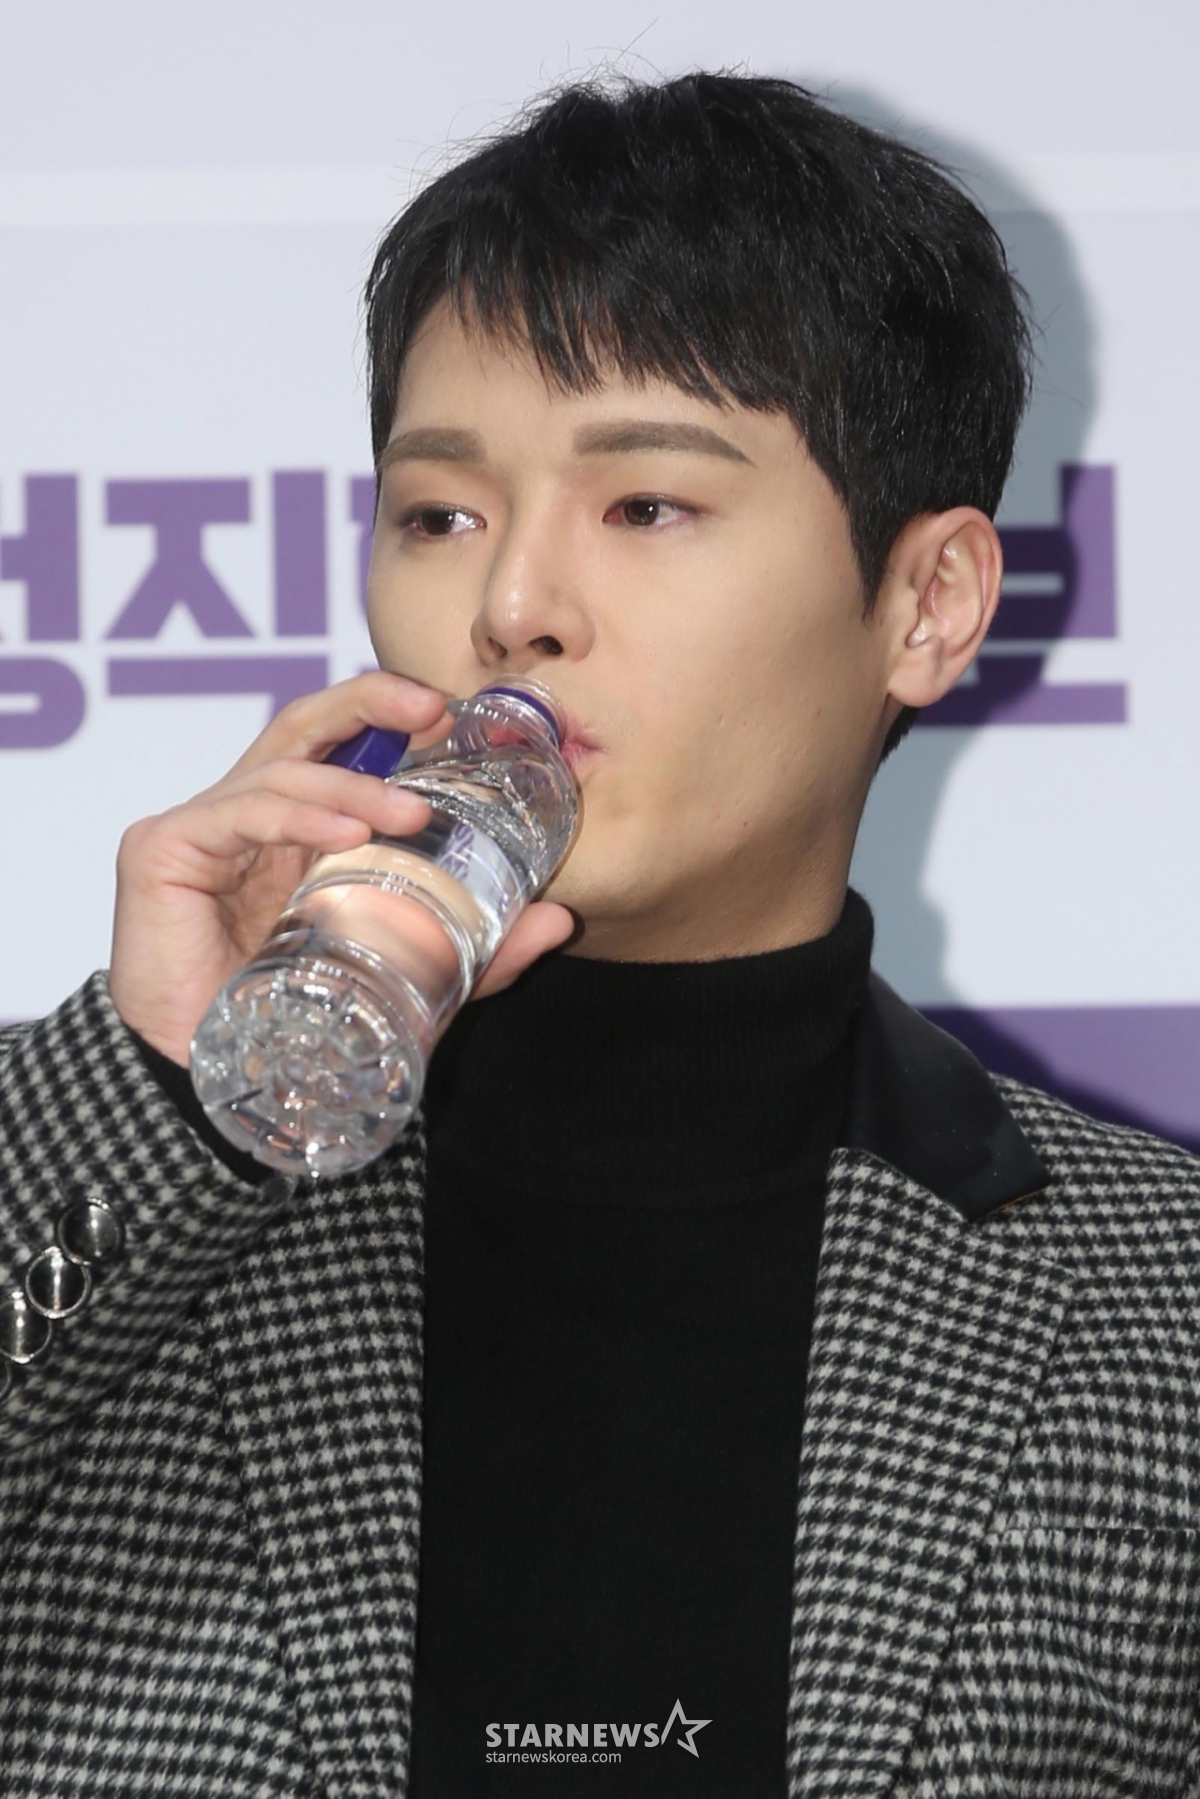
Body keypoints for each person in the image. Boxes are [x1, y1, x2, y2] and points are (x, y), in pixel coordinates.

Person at [1, 69, 1197, 1799]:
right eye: (440, 515)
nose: (511, 606)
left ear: (926, 603)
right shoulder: (105, 1183)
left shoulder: (1158, 1301)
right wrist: (174, 1081)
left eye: (646, 505)